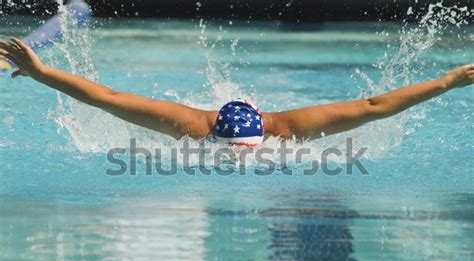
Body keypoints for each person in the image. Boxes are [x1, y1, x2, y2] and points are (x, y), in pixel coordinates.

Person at [1, 37, 473, 147]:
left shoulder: (287, 132)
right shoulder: (191, 128)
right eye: (230, 156)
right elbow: (108, 98)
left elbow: (373, 107)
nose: (237, 165)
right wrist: (41, 73)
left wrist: (449, 81)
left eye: (243, 155)